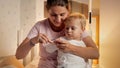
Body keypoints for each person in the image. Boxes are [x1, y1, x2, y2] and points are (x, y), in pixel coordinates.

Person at [15, 0, 99, 68]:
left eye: (62, 14)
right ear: (47, 11)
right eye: (53, 15)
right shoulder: (40, 26)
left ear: (68, 9)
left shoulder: (75, 26)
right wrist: (33, 41)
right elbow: (18, 56)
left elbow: (95, 54)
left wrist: (70, 47)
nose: (58, 20)